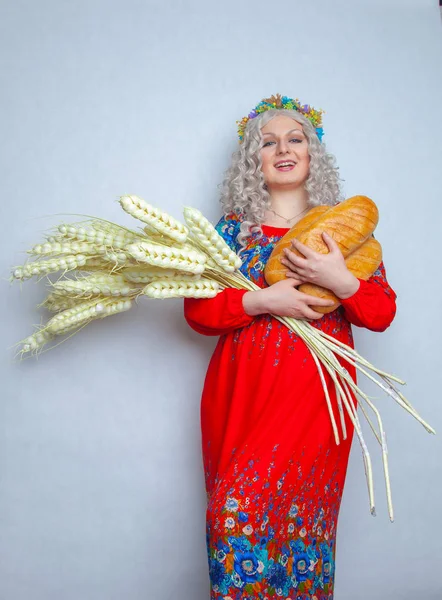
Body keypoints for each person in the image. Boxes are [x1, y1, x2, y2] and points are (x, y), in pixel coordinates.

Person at [183, 94, 397, 599]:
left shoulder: (343, 230)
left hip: (318, 406)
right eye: (268, 142)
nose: (283, 149)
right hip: (243, 403)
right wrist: (261, 299)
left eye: (295, 138)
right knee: (233, 521)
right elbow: (196, 312)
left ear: (312, 153)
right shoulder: (231, 234)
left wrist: (339, 280)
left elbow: (382, 313)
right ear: (251, 160)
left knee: (302, 537)